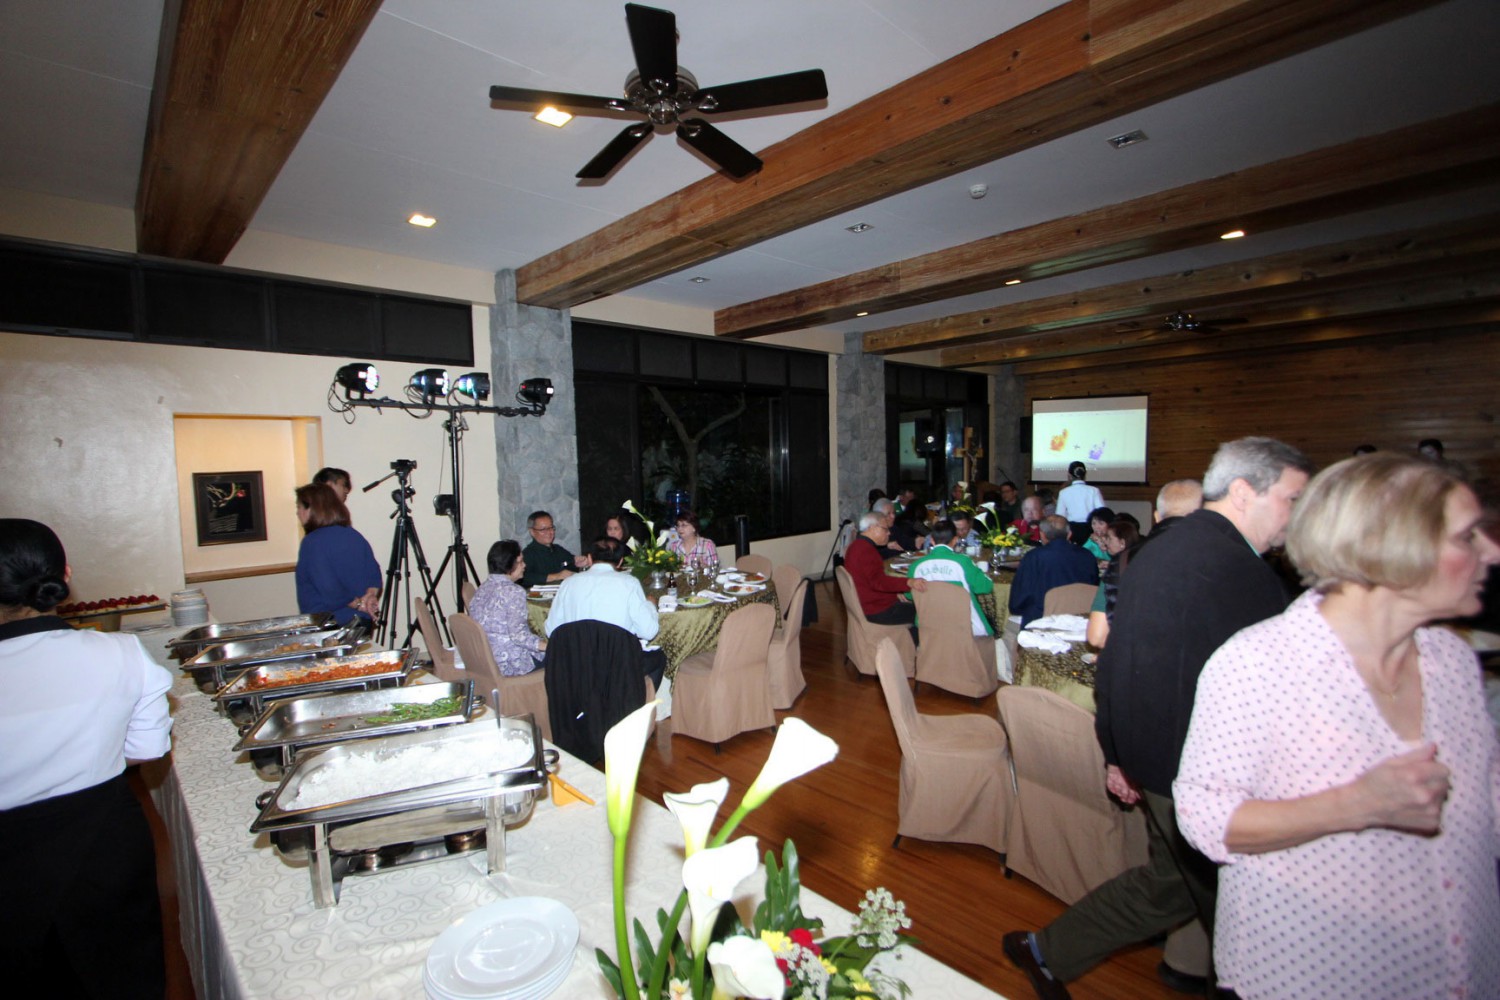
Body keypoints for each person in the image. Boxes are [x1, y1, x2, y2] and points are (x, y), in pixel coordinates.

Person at [1175, 454, 1500, 999]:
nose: (1491, 552)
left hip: (1464, 967)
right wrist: (1356, 804)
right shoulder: (1261, 663)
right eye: (1467, 537)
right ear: (1393, 546)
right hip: (1315, 971)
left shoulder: (1452, 660)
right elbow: (1204, 818)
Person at [1004, 436, 1313, 1000]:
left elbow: (1117, 659)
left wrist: (1119, 753)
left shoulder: (1163, 553)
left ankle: (1048, 950)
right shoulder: (1220, 564)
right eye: (1293, 499)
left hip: (1169, 760)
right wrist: (1119, 754)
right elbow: (1133, 666)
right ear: (1244, 492)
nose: (1299, 515)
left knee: (1170, 884)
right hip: (1194, 768)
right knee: (1241, 919)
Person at [0, 519, 174, 998]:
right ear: (66, 575)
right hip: (102, 842)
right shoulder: (119, 652)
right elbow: (147, 749)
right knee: (124, 977)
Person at [546, 536, 663, 687]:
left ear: (589, 559)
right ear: (620, 562)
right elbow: (648, 632)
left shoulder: (568, 583)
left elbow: (551, 630)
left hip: (577, 664)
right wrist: (650, 606)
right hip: (617, 666)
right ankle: (633, 700)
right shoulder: (629, 583)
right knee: (658, 658)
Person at [294, 482, 381, 625]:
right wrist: (370, 596)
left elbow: (329, 588)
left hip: (330, 623)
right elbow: (374, 574)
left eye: (299, 507)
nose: (297, 513)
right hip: (361, 621)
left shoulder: (312, 542)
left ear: (311, 509)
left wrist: (359, 604)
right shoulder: (354, 535)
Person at [468, 540, 546, 676]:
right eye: (520, 561)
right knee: (564, 656)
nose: (524, 565)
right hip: (509, 663)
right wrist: (548, 646)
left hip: (485, 659)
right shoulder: (514, 592)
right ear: (510, 564)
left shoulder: (483, 588)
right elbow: (518, 637)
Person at [1007, 515, 1099, 627]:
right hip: (1081, 620)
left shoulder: (1033, 557)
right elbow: (1094, 590)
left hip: (1041, 622)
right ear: (1069, 534)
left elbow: (1017, 602)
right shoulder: (1087, 556)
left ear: (1042, 535)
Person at [908, 519, 994, 636]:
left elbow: (909, 594)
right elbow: (985, 587)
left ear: (932, 540)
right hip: (965, 626)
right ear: (955, 540)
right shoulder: (963, 562)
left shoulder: (916, 565)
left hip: (928, 624)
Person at [843, 511, 928, 627]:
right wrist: (909, 582)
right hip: (877, 609)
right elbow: (878, 582)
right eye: (885, 529)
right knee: (925, 611)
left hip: (866, 603)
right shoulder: (866, 551)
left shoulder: (856, 546)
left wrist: (895, 593)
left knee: (914, 604)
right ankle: (914, 638)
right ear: (872, 528)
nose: (889, 533)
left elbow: (872, 581)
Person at [1085, 518, 1141, 648]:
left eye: (1109, 538)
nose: (1106, 541)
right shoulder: (1140, 561)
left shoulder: (1117, 570)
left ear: (1122, 543)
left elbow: (1096, 637)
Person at [521, 510, 590, 587]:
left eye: (551, 528)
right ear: (532, 532)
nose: (549, 532)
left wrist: (579, 565)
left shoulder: (558, 550)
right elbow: (523, 578)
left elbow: (570, 564)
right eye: (543, 529)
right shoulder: (527, 554)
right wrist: (556, 576)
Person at [1057, 461, 1105, 544]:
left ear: (1069, 475)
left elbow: (1060, 515)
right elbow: (1102, 512)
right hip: (1090, 529)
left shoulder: (1063, 492)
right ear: (1085, 474)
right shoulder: (1094, 490)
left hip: (1072, 530)